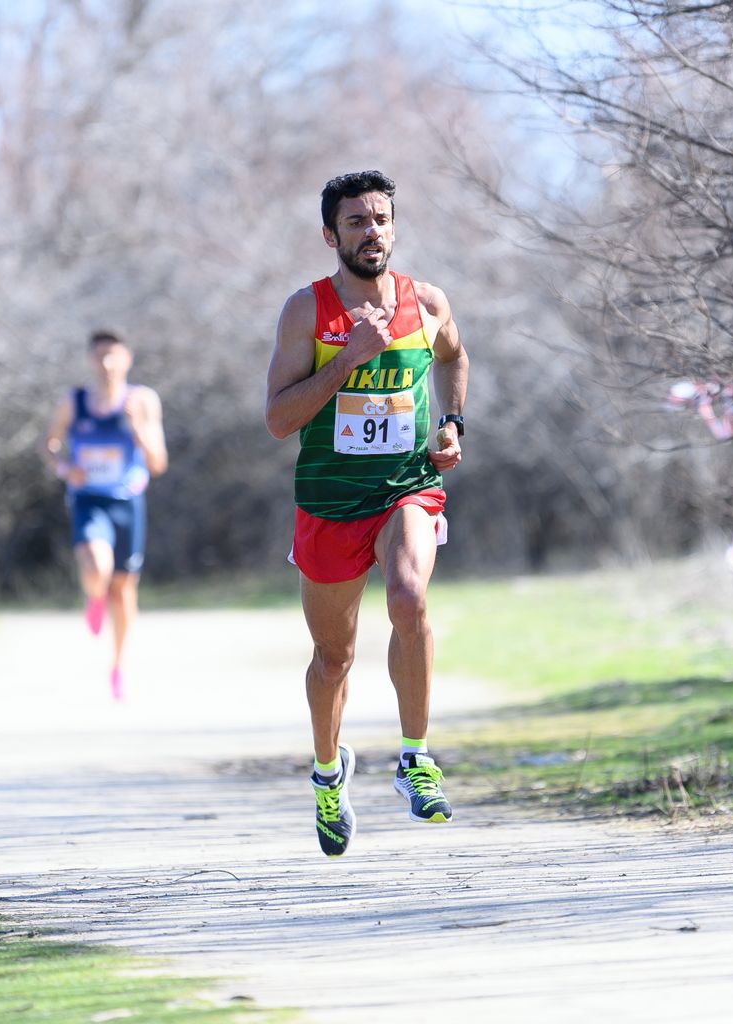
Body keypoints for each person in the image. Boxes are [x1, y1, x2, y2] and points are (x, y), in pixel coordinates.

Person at [266, 170, 469, 857]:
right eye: (355, 222)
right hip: (328, 502)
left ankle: (414, 757)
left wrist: (453, 426)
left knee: (409, 600)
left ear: (393, 226)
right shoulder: (307, 311)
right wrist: (350, 360)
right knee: (333, 657)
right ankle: (328, 772)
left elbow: (455, 357)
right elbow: (278, 418)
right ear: (331, 235)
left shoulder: (427, 302)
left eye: (380, 218)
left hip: (404, 487)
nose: (370, 231)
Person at [41, 328, 168, 699]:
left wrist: (138, 428)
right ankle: (93, 598)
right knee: (97, 565)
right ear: (90, 360)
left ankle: (118, 665)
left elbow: (158, 463)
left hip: (127, 501)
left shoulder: (142, 401)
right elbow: (48, 445)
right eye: (100, 356)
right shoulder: (74, 402)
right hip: (87, 499)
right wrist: (65, 469)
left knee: (124, 589)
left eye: (114, 355)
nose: (107, 363)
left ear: (128, 358)